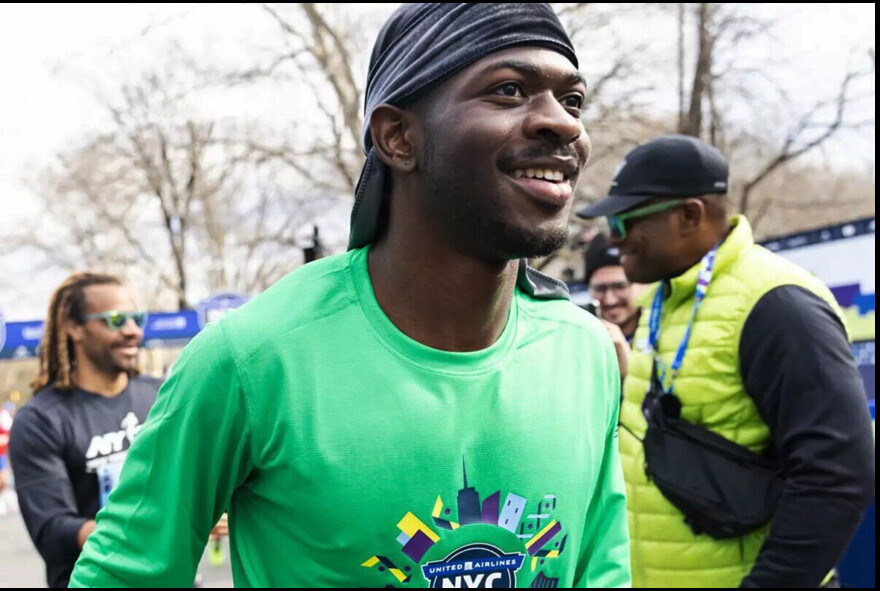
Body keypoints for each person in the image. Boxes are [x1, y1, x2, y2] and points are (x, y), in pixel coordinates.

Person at [70, 4, 630, 588]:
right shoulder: (253, 359)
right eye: (509, 90)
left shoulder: (585, 354)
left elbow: (602, 572)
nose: (563, 123)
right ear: (397, 137)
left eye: (573, 101)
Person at [578, 134, 875, 588]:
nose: (614, 239)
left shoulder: (778, 305)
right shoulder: (664, 298)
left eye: (623, 221)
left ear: (689, 215)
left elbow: (837, 474)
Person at [8, 273, 160, 588]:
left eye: (137, 319)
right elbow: (52, 532)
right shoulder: (40, 421)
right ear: (73, 327)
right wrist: (159, 526)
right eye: (116, 320)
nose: (133, 331)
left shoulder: (162, 396)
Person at [584, 233, 644, 378]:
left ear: (642, 285)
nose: (610, 300)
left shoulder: (663, 332)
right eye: (600, 289)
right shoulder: (580, 338)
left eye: (620, 286)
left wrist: (630, 373)